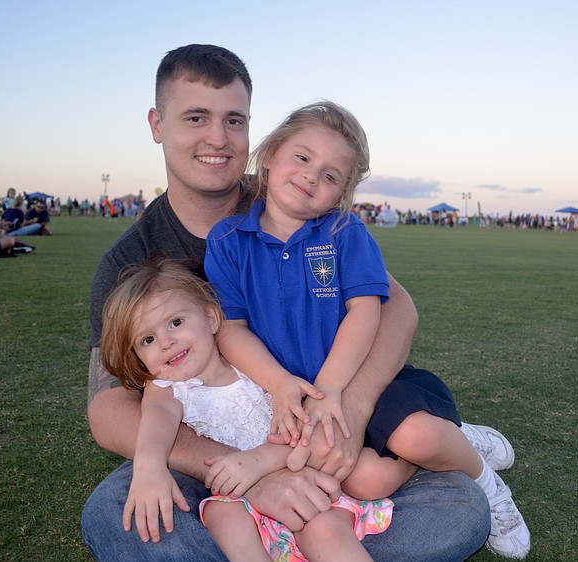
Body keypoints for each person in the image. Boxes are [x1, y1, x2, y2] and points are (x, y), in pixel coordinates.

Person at [83, 44, 509, 561]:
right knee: (118, 514)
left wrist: (350, 409)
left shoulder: (295, 203)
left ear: (253, 134)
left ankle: (314, 533)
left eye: (233, 120)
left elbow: (395, 308)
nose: (217, 138)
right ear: (157, 123)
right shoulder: (129, 260)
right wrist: (252, 474)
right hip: (211, 452)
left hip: (316, 424)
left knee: (459, 508)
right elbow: (109, 411)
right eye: (196, 117)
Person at [205, 101, 528, 557]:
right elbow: (230, 329)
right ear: (271, 154)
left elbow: (367, 312)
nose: (312, 176)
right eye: (302, 157)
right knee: (363, 479)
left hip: (363, 382)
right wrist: (280, 386)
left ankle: (479, 472)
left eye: (331, 175)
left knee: (416, 436)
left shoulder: (344, 232)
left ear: (341, 194)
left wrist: (333, 389)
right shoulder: (226, 241)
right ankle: (439, 450)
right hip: (293, 398)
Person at [102, 258, 394, 561]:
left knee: (326, 525)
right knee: (221, 515)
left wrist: (266, 460)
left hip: (301, 471)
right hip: (242, 497)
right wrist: (149, 469)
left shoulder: (252, 362)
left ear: (211, 318)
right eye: (147, 340)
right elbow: (155, 425)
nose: (166, 342)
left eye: (176, 322)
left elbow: (303, 431)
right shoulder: (168, 389)